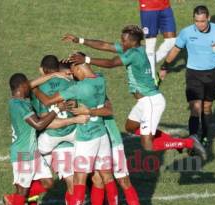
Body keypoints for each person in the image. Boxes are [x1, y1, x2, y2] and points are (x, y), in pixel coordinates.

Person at [62, 25, 206, 160]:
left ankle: (187, 143)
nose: (121, 42)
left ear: (133, 41)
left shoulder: (135, 54)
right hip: (143, 101)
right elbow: (105, 45)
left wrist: (87, 59)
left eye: (123, 40)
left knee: (148, 146)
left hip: (151, 101)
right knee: (130, 127)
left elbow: (112, 63)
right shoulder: (131, 49)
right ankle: (174, 142)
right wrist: (79, 40)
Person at [33, 57, 120, 205]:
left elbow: (49, 102)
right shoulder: (100, 79)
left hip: (86, 137)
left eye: (74, 71)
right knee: (104, 177)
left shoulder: (78, 88)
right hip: (101, 134)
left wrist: (34, 88)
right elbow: (108, 109)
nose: (74, 75)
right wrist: (86, 110)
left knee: (79, 181)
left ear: (79, 68)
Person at [71, 99, 145, 205]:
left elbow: (108, 107)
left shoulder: (99, 92)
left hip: (113, 143)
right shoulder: (77, 94)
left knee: (123, 181)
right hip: (94, 143)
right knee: (98, 179)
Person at [3, 73, 64, 205]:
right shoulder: (18, 106)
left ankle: (12, 198)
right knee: (22, 192)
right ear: (22, 87)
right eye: (27, 86)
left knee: (48, 182)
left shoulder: (21, 99)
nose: (30, 88)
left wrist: (55, 74)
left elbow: (31, 83)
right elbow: (38, 125)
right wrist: (57, 109)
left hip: (33, 153)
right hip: (23, 154)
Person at [159, 5, 215, 148]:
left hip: (212, 74)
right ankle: (193, 138)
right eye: (196, 21)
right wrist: (165, 66)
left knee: (207, 107)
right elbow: (176, 49)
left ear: (207, 18)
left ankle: (205, 135)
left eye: (202, 21)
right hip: (193, 73)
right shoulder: (187, 32)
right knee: (195, 107)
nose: (199, 24)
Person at [138, 0, 177, 80]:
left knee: (172, 40)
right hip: (148, 7)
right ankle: (151, 78)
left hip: (165, 6)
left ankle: (148, 65)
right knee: (151, 44)